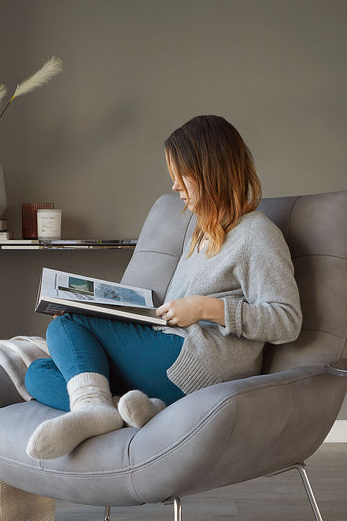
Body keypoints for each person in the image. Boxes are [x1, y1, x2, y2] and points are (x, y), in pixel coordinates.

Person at [24, 114, 302, 459]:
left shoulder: (256, 234)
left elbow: (287, 320)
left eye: (180, 175)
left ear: (210, 171)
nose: (174, 187)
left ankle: (95, 409)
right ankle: (126, 410)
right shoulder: (203, 233)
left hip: (202, 363)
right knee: (37, 374)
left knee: (68, 323)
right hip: (172, 353)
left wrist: (204, 308)